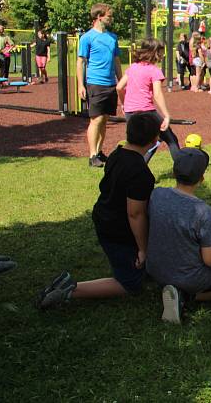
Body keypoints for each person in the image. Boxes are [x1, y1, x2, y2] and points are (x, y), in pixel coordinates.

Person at [36, 113, 160, 309]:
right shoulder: (140, 173)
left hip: (104, 217)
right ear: (155, 139)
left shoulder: (117, 154)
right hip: (117, 229)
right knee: (131, 284)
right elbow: (135, 214)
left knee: (135, 267)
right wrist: (142, 249)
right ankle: (71, 289)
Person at [146, 147, 211, 324]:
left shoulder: (156, 194)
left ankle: (171, 290)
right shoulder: (201, 211)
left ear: (174, 173)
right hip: (189, 277)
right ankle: (186, 296)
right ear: (201, 178)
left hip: (155, 269)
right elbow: (209, 260)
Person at [116, 38, 181, 163]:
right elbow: (157, 94)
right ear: (155, 52)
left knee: (141, 143)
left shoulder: (133, 67)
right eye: (161, 52)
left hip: (130, 112)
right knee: (170, 138)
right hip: (147, 111)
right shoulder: (154, 70)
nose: (163, 55)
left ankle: (136, 168)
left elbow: (119, 87)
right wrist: (166, 116)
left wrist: (124, 105)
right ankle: (182, 169)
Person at [78, 3, 122, 168]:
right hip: (95, 83)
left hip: (110, 83)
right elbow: (81, 62)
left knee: (104, 119)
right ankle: (92, 155)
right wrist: (80, 85)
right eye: (109, 16)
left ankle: (100, 151)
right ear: (99, 16)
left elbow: (116, 61)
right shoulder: (87, 38)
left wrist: (121, 81)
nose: (111, 18)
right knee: (95, 119)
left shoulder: (112, 38)